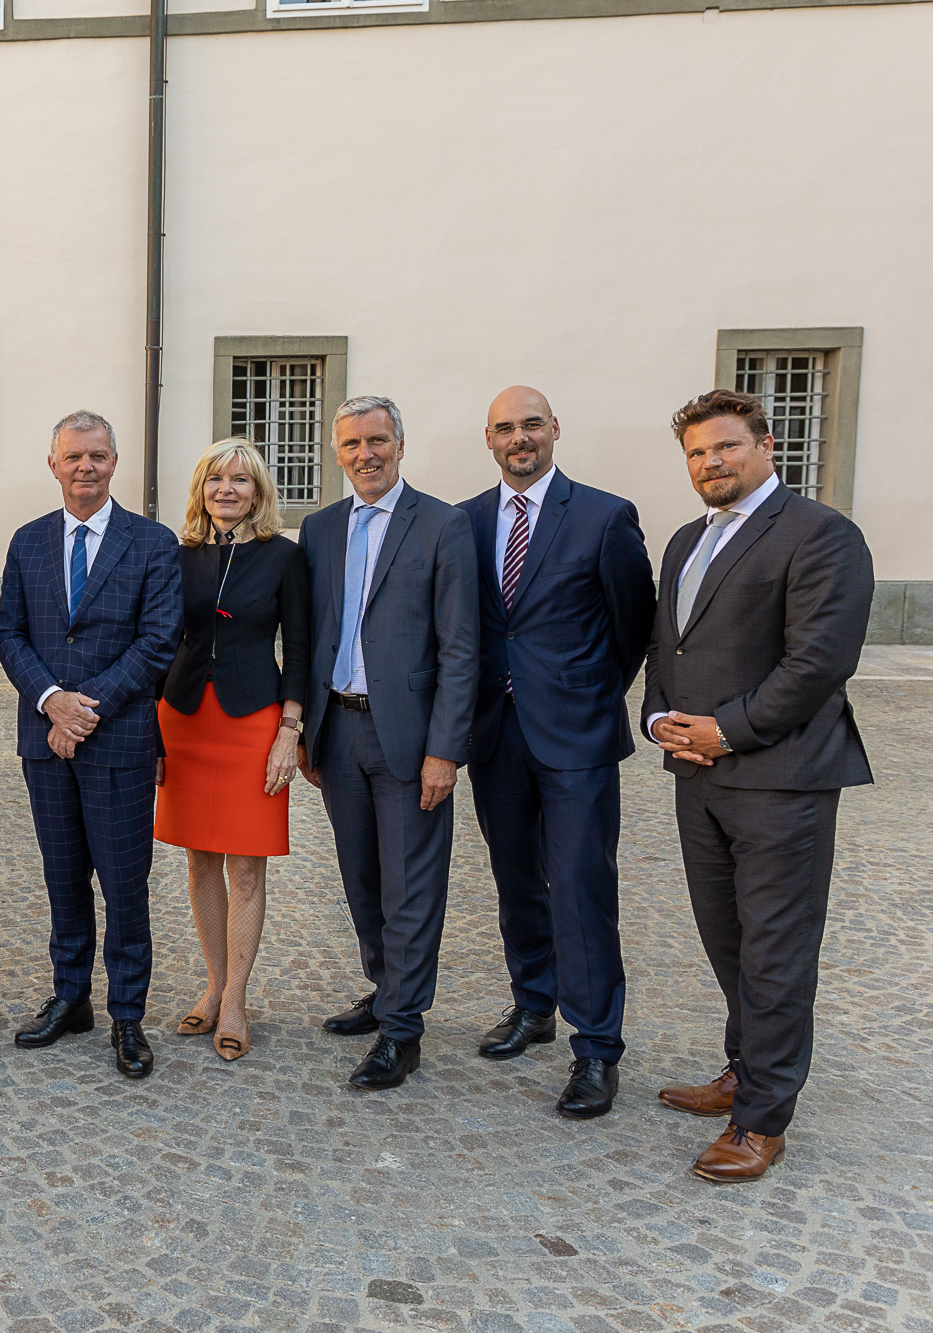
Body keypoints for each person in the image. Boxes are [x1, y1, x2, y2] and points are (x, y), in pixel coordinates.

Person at [643, 389, 873, 1183]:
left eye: (728, 447)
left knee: (776, 951)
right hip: (698, 779)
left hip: (782, 780)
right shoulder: (683, 541)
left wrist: (727, 728)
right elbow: (664, 647)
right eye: (699, 452)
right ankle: (744, 1069)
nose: (712, 462)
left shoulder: (821, 535)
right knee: (728, 941)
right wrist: (659, 721)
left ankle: (763, 1120)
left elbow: (818, 663)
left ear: (767, 445)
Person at [457, 388, 655, 1118]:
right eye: (506, 428)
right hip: (495, 732)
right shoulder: (467, 521)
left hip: (576, 736)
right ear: (489, 438)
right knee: (515, 879)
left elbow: (634, 624)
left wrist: (586, 693)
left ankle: (597, 1047)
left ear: (555, 430)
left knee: (580, 886)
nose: (520, 438)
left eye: (531, 424)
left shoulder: (605, 516)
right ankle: (533, 1004)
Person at [0, 410, 182, 1080]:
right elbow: (7, 632)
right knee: (63, 875)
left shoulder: (152, 543)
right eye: (73, 457)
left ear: (114, 461)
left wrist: (84, 708)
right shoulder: (27, 541)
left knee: (125, 885)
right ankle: (71, 997)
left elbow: (158, 640)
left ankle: (128, 1013)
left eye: (98, 455)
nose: (86, 467)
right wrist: (52, 701)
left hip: (120, 741)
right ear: (53, 464)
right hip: (46, 740)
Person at [297, 395, 479, 1090]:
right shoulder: (319, 529)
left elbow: (460, 647)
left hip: (408, 737)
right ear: (337, 452)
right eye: (351, 444)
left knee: (411, 886)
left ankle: (403, 1029)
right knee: (362, 878)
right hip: (338, 730)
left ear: (400, 444)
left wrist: (446, 749)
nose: (365, 454)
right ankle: (384, 988)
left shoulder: (442, 524)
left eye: (377, 441)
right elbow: (311, 632)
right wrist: (309, 730)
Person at [154, 438, 310, 1063]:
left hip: (254, 720)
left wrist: (290, 733)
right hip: (185, 716)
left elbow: (299, 646)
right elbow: (158, 639)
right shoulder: (178, 554)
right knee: (199, 860)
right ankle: (213, 984)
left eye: (240, 480)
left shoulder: (285, 557)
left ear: (258, 491)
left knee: (246, 865)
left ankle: (238, 997)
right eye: (216, 478)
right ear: (202, 488)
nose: (227, 489)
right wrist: (149, 730)